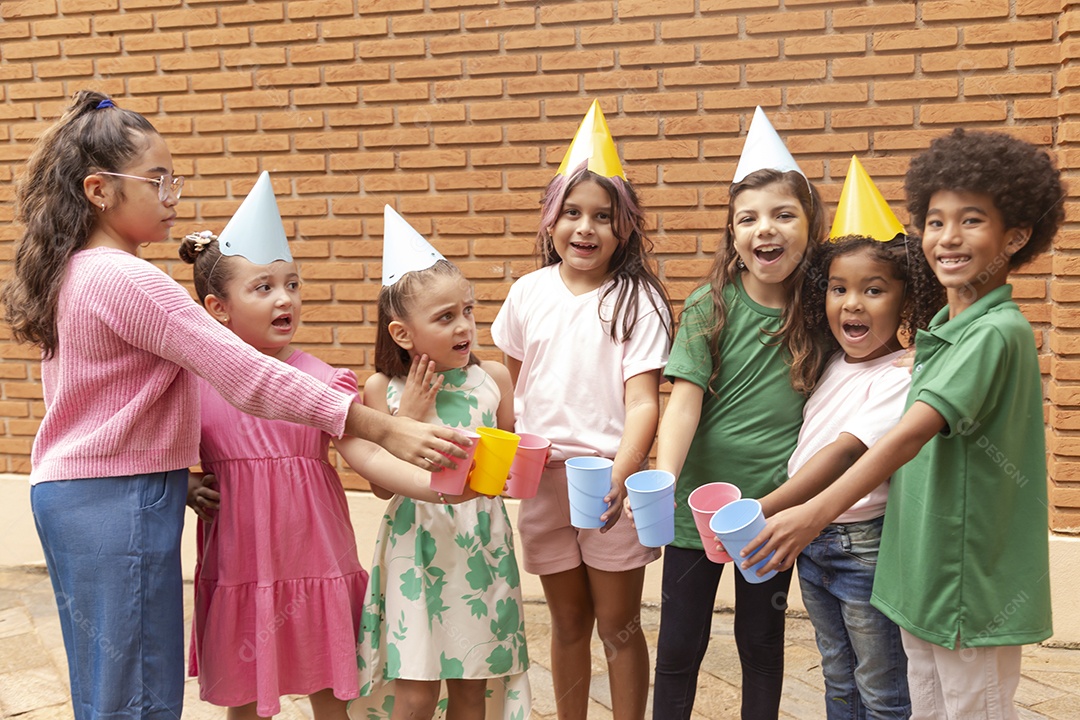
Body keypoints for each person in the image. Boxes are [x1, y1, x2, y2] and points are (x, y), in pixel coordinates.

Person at [3, 91, 467, 720]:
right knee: (135, 692)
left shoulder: (79, 271)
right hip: (114, 498)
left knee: (111, 684)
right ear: (99, 190)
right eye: (157, 180)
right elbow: (247, 376)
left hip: (82, 495)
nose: (173, 196)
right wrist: (383, 425)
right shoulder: (124, 277)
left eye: (174, 179)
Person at [744, 128, 1063, 720]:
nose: (947, 237)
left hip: (970, 586)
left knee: (973, 710)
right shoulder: (948, 329)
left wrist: (810, 514)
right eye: (936, 221)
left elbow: (908, 433)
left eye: (972, 221)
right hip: (920, 574)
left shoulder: (996, 331)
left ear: (1016, 236)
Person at [179, 183, 476, 719]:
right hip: (242, 563)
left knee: (332, 691)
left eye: (291, 283)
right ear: (218, 308)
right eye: (263, 287)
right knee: (244, 695)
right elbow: (163, 452)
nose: (284, 297)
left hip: (314, 556)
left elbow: (368, 457)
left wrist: (441, 489)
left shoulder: (321, 381)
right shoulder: (197, 385)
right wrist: (184, 483)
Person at [491, 101, 673, 720]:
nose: (585, 228)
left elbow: (644, 398)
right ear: (551, 221)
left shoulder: (638, 298)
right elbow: (517, 387)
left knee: (618, 625)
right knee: (567, 622)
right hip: (543, 480)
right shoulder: (527, 293)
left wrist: (624, 471)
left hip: (607, 482)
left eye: (602, 216)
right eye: (572, 213)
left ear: (623, 229)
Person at [754, 157, 944, 719]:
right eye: (839, 289)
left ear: (906, 300)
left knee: (882, 688)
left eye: (873, 290)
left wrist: (762, 508)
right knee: (838, 679)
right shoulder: (835, 362)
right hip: (813, 545)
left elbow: (842, 454)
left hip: (863, 548)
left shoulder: (901, 375)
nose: (852, 303)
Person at [651, 108, 825, 719]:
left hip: (769, 513)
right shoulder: (709, 305)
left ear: (810, 226)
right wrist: (665, 477)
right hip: (695, 507)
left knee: (760, 641)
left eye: (782, 214)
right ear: (733, 233)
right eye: (747, 219)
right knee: (677, 646)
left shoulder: (823, 311)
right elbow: (683, 404)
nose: (764, 230)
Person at [353, 206, 531, 720]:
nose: (465, 327)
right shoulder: (382, 391)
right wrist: (406, 420)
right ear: (403, 334)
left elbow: (508, 472)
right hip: (416, 547)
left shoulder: (491, 379)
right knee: (415, 688)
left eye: (468, 311)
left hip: (480, 546)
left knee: (472, 684)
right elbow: (383, 490)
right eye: (445, 317)